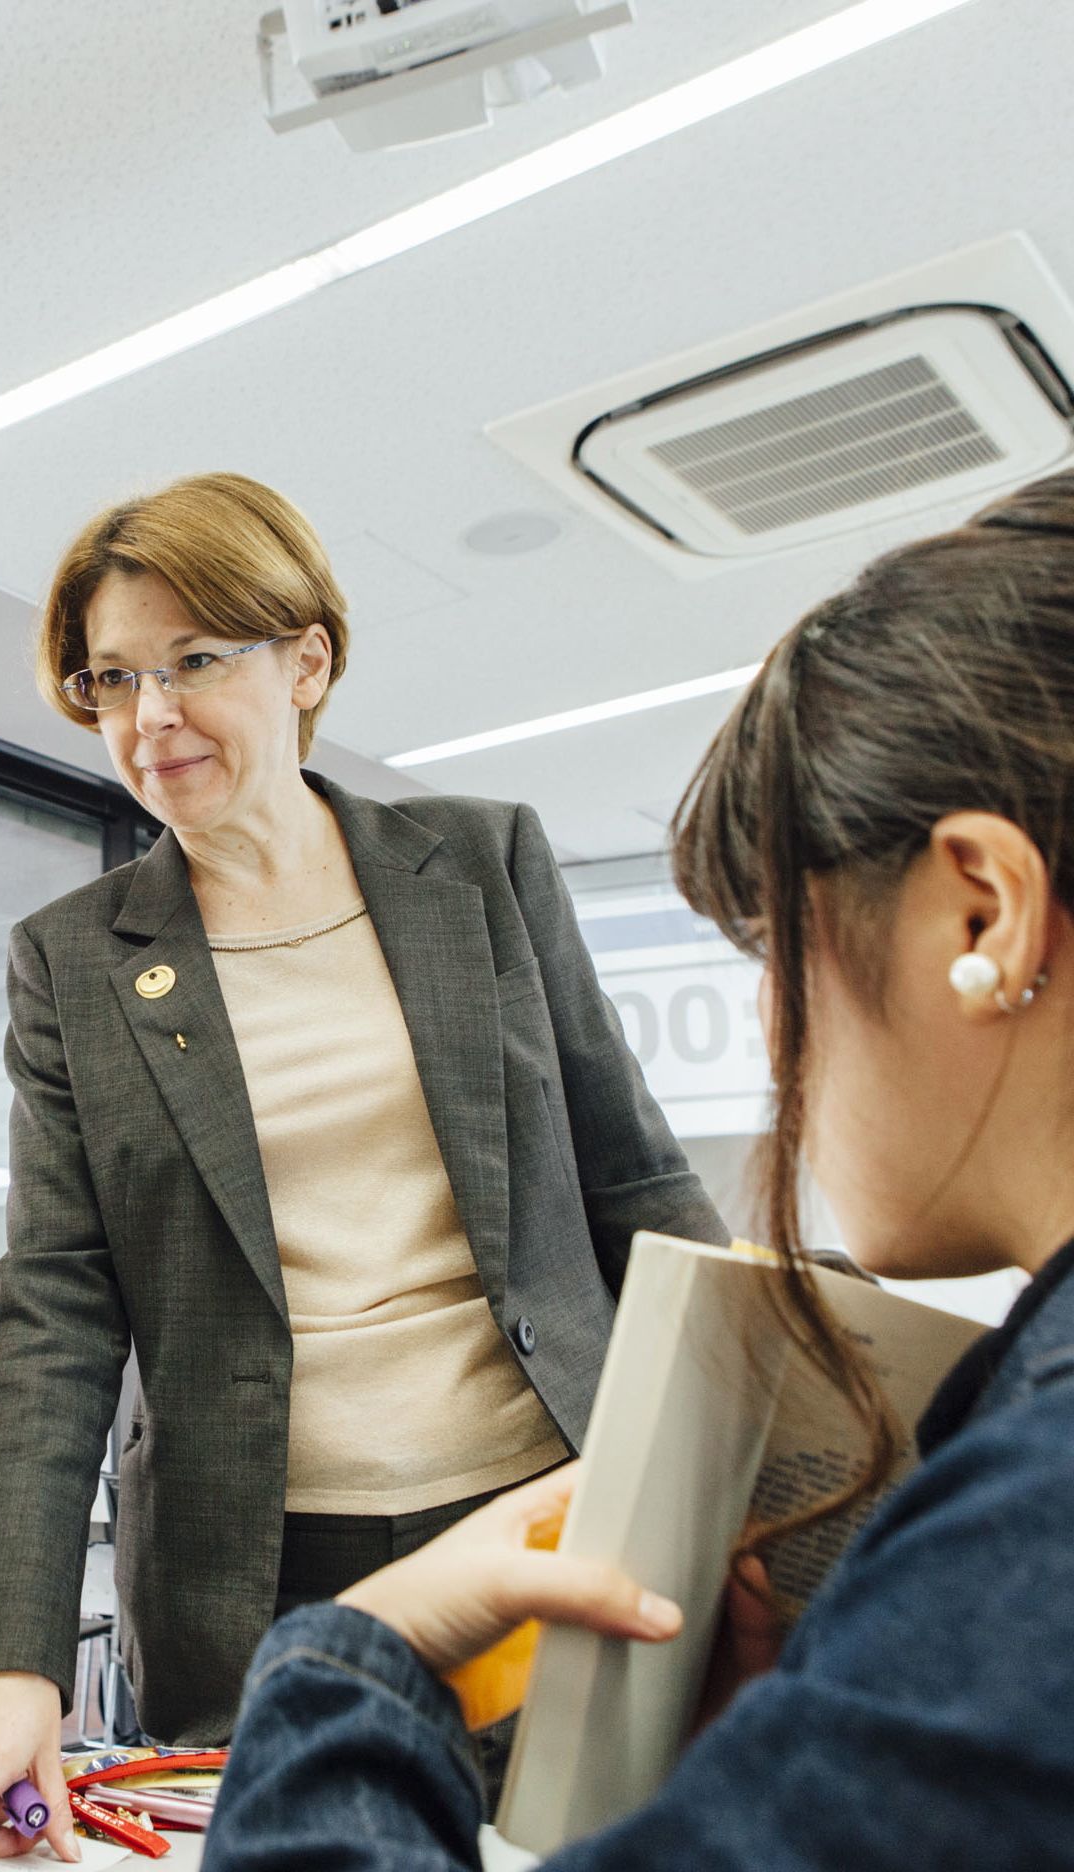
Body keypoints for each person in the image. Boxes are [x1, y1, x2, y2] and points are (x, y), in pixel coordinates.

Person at [198, 470, 1074, 1869]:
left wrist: (352, 1660)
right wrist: (803, 1743)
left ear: (984, 911)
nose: (777, 1034)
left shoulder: (1038, 1518)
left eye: (776, 955)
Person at [0, 473, 725, 1866]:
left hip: (542, 1507)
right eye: (112, 680)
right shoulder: (75, 959)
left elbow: (634, 1185)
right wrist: (12, 1663)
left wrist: (769, 1459)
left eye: (193, 662)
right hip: (259, 1573)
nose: (148, 717)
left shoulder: (482, 861)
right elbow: (55, 1312)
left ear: (309, 660)